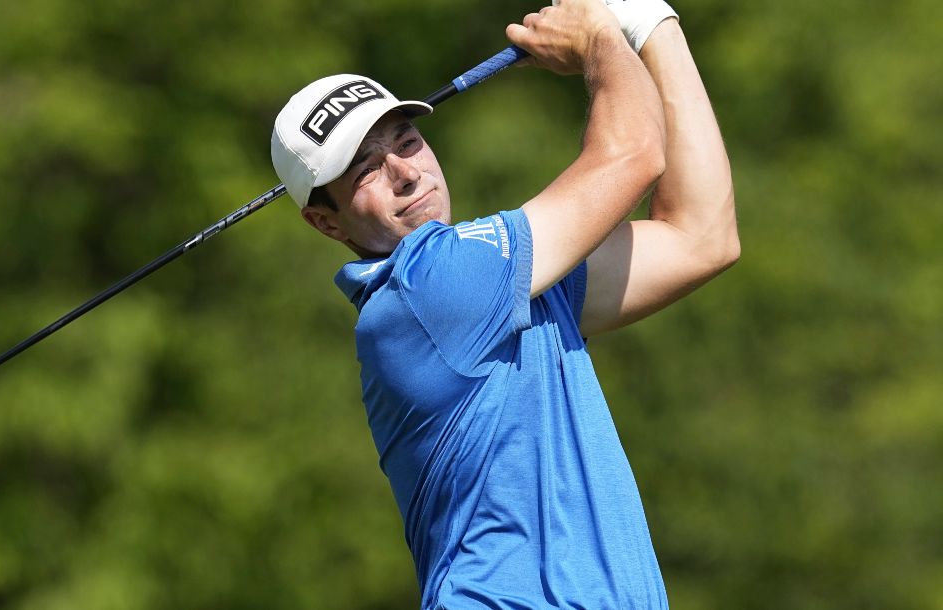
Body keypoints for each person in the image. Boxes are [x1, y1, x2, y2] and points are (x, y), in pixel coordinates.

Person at [270, 0, 738, 607]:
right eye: (364, 171)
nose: (404, 172)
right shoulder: (427, 284)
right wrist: (601, 38)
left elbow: (701, 237)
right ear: (326, 223)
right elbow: (633, 153)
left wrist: (653, 26)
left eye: (407, 141)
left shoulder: (509, 287)